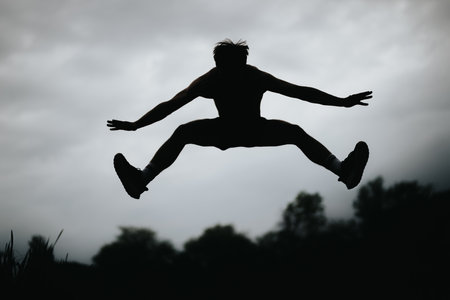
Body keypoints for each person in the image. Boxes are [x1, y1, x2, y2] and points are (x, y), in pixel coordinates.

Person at [107, 39, 372, 199]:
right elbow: (171, 105)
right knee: (183, 131)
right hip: (247, 130)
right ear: (221, 65)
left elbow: (300, 92)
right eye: (231, 68)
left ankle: (344, 171)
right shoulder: (218, 79)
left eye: (239, 66)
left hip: (236, 131)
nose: (236, 73)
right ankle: (141, 180)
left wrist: (342, 101)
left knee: (295, 132)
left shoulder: (242, 77)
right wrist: (136, 124)